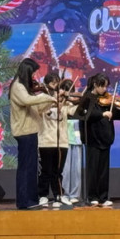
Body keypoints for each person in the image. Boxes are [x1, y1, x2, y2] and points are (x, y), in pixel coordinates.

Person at [9, 57, 56, 210]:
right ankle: (24, 201)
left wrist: (50, 101)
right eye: (32, 73)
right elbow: (27, 101)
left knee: (32, 168)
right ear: (26, 72)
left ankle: (32, 199)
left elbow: (36, 109)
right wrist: (45, 96)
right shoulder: (18, 86)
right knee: (26, 168)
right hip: (24, 132)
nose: (34, 76)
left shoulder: (25, 87)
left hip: (31, 131)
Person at [74, 72, 120, 206]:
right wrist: (102, 114)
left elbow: (114, 113)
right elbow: (86, 114)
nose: (105, 89)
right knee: (93, 169)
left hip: (105, 137)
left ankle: (103, 197)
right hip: (93, 138)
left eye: (106, 86)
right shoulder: (88, 97)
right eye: (103, 86)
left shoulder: (106, 99)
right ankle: (92, 196)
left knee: (103, 170)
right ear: (95, 85)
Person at [37, 72, 71, 207]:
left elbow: (73, 110)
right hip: (45, 140)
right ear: (46, 84)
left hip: (61, 140)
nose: (55, 87)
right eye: (53, 84)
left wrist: (66, 102)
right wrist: (52, 101)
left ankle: (59, 195)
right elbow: (39, 110)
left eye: (57, 84)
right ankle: (43, 195)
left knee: (58, 171)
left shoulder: (63, 100)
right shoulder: (41, 98)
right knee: (45, 171)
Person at [60, 78, 83, 203]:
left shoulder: (75, 104)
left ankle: (75, 194)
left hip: (77, 139)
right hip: (64, 139)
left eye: (71, 91)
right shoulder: (61, 104)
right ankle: (65, 193)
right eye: (66, 90)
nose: (70, 94)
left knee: (76, 170)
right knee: (66, 170)